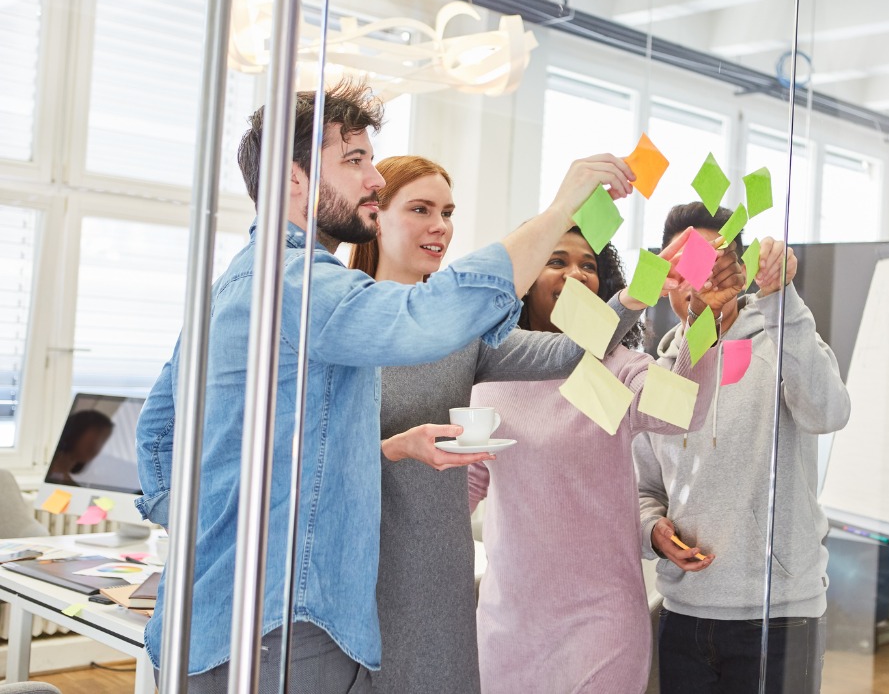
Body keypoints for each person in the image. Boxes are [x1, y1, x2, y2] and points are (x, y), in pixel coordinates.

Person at [133, 77, 636, 693]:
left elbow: (157, 439)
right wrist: (560, 210)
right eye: (354, 161)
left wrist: (220, 535)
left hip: (234, 617)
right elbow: (424, 320)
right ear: (293, 180)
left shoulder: (242, 284)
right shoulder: (297, 287)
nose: (373, 179)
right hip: (283, 625)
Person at [344, 155, 652, 693]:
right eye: (421, 209)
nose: (440, 226)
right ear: (375, 216)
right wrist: (390, 448)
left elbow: (570, 350)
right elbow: (298, 457)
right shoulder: (336, 320)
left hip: (439, 578)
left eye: (447, 211)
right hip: (350, 565)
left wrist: (633, 294)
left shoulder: (464, 335)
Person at [467, 226, 743, 693]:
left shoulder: (614, 365)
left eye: (589, 266)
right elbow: (463, 485)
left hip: (602, 620)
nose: (576, 273)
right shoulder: (489, 376)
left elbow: (680, 412)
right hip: (510, 621)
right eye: (557, 261)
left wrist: (702, 321)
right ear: (527, 280)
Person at [633, 202, 851, 694]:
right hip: (684, 613)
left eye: (719, 263)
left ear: (741, 271)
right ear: (669, 280)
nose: (705, 279)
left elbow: (829, 412)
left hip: (779, 613)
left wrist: (781, 299)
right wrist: (653, 530)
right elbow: (645, 486)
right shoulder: (657, 373)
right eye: (688, 266)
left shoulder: (781, 340)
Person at [47, 409, 114, 486]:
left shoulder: (72, 487)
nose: (97, 446)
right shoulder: (41, 471)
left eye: (103, 440)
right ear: (78, 429)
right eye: (99, 435)